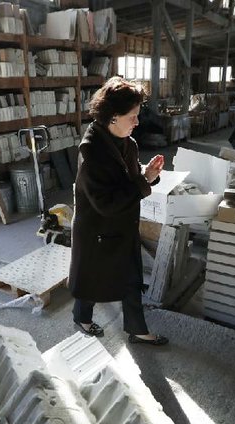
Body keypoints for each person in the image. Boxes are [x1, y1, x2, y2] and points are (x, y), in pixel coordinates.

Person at [68, 77, 168, 345]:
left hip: (121, 224)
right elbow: (107, 203)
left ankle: (136, 329)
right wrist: (143, 181)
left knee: (131, 278)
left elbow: (131, 179)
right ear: (113, 117)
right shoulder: (91, 152)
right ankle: (82, 317)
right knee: (92, 277)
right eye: (132, 116)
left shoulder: (128, 143)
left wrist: (149, 174)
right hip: (97, 228)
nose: (137, 122)